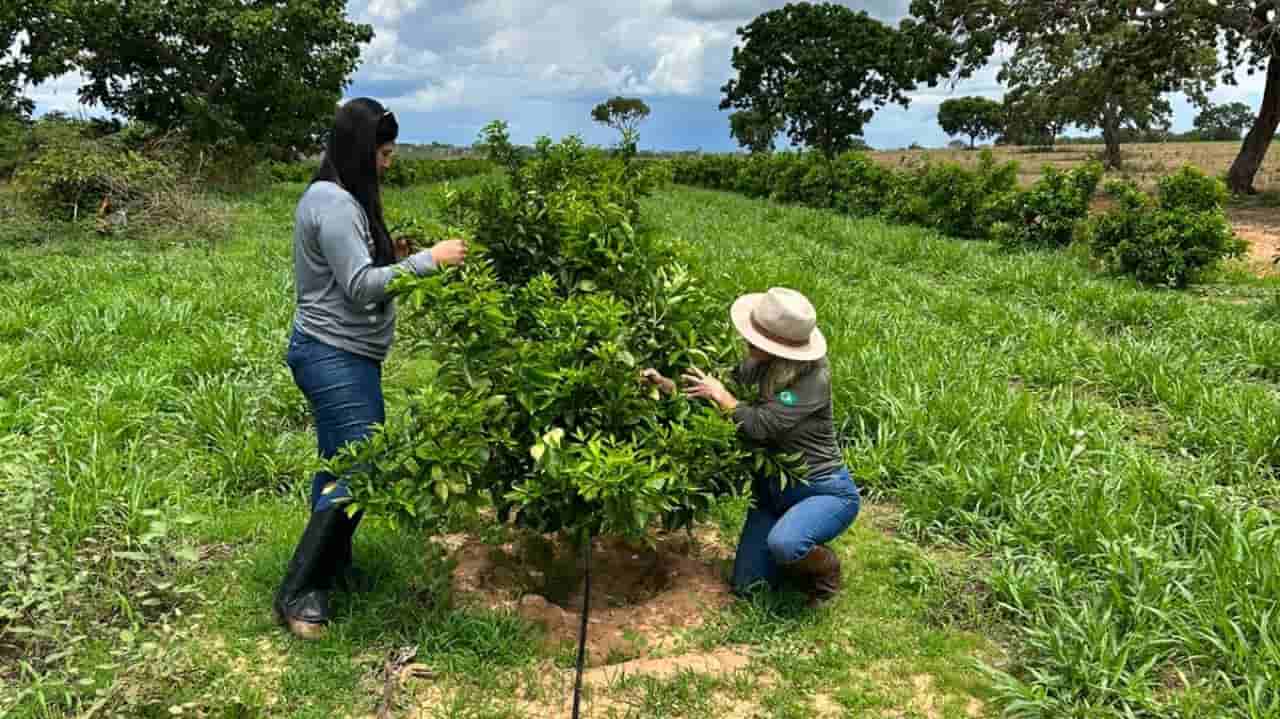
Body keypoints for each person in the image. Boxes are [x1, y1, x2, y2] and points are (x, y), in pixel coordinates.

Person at [275, 98, 468, 639]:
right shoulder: (333, 203)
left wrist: (393, 257)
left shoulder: (340, 200)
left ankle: (329, 571)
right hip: (331, 354)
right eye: (383, 153)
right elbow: (359, 287)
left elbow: (354, 271)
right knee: (361, 467)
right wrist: (426, 261)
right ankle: (297, 592)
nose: (389, 163)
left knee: (339, 464)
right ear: (362, 150)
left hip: (346, 354)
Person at [642, 287, 859, 607]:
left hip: (821, 490)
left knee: (786, 543)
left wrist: (723, 397)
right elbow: (714, 386)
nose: (749, 341)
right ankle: (788, 549)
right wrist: (667, 384)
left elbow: (760, 425)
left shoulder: (813, 379)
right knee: (749, 587)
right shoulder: (761, 363)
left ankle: (824, 571)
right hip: (772, 493)